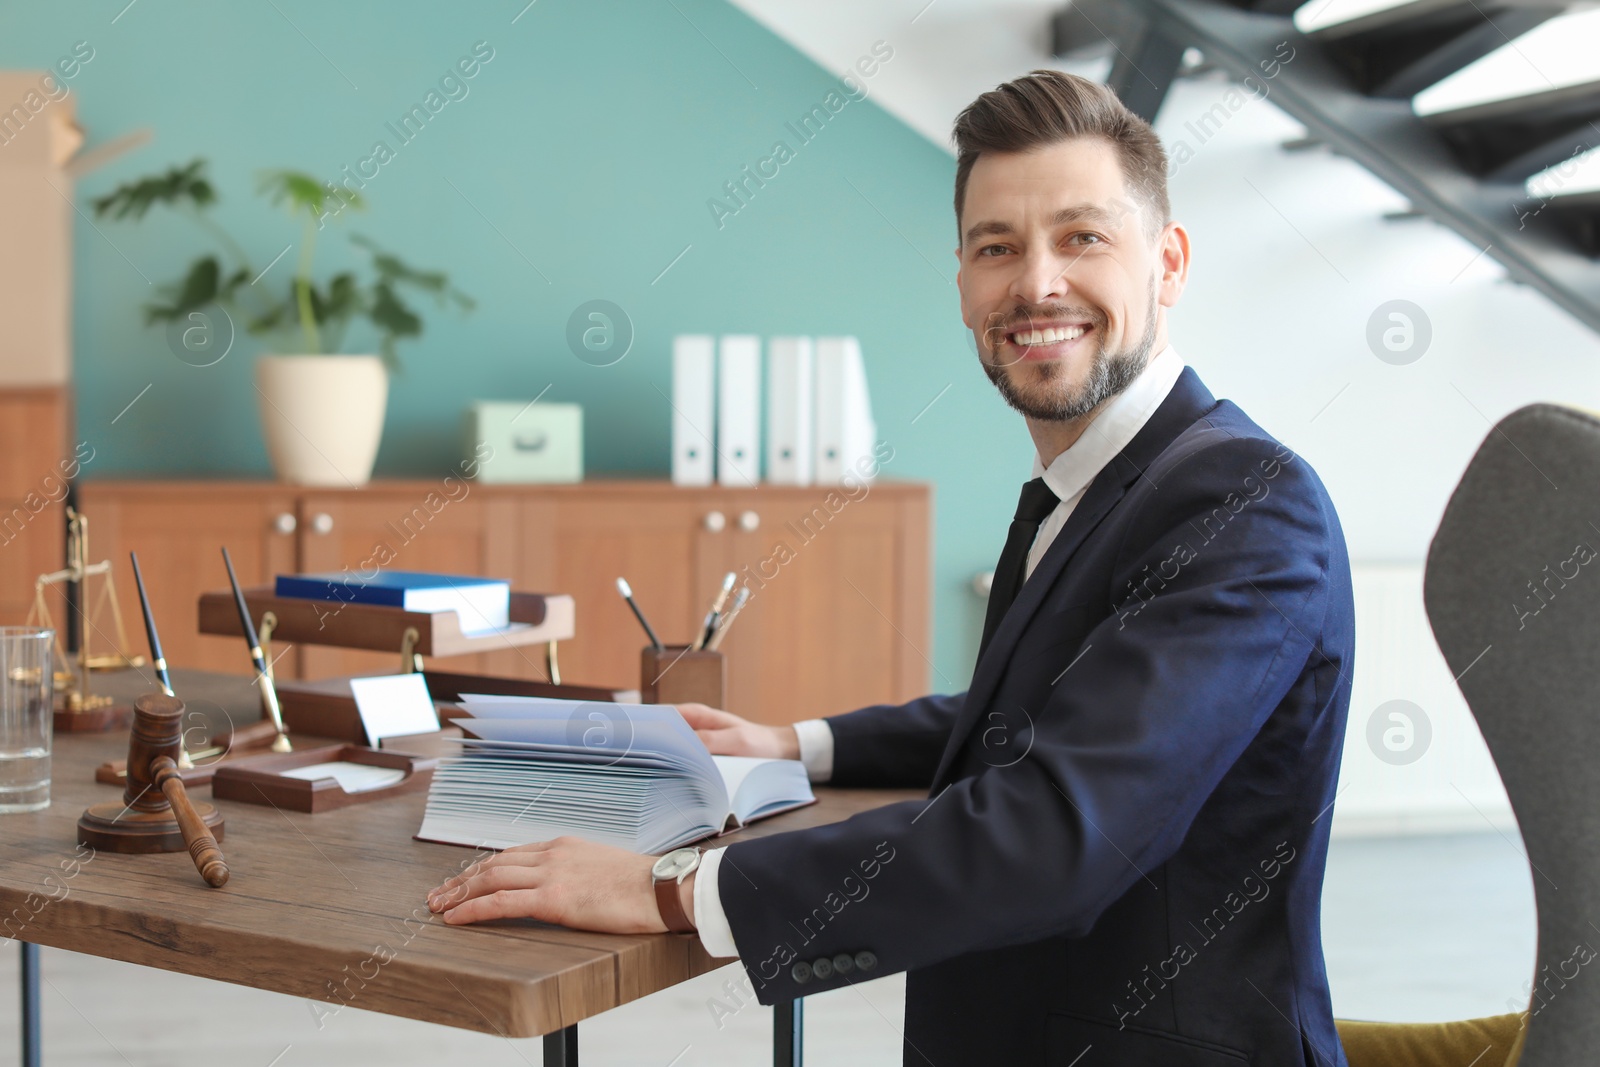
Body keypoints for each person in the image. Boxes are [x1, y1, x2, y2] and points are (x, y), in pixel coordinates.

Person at [428, 68, 1354, 1066]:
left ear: (1167, 262)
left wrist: (671, 887)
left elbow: (1053, 834)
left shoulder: (1244, 503)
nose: (1036, 283)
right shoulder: (1098, 485)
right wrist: (796, 740)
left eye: (1082, 237)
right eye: (997, 247)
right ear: (961, 280)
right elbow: (1039, 714)